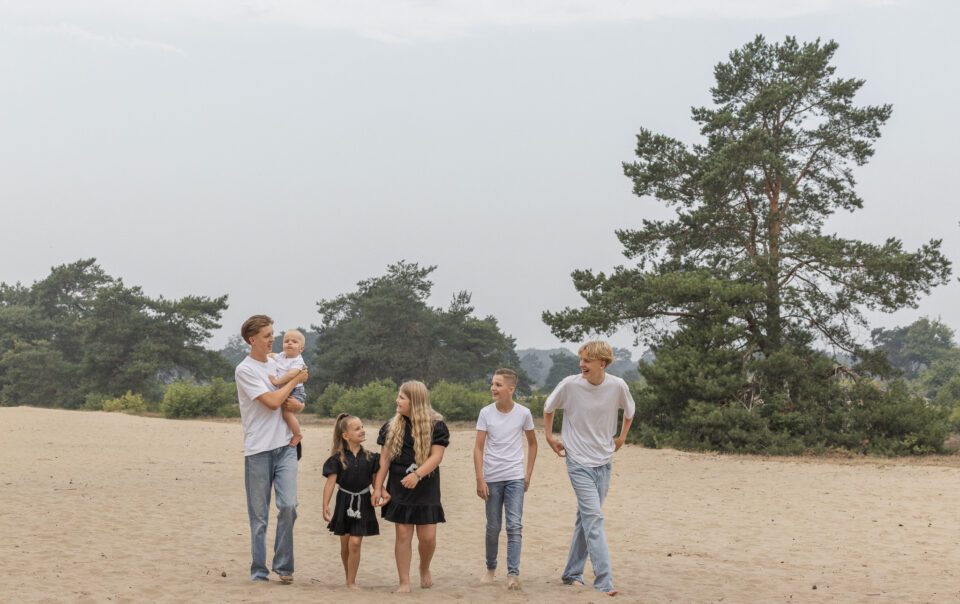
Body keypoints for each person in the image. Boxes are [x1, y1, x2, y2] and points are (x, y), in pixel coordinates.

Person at [543, 341, 635, 597]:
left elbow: (630, 412)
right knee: (594, 518)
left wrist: (622, 438)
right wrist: (549, 437)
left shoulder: (618, 386)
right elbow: (548, 408)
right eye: (581, 360)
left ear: (601, 363)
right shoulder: (570, 385)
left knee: (585, 518)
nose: (581, 365)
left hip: (604, 463)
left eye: (586, 361)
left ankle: (572, 572)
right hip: (578, 462)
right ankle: (605, 580)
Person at [234, 314, 308, 583]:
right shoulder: (244, 370)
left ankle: (284, 566)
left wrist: (299, 402)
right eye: (267, 336)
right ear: (252, 340)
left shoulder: (278, 361)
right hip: (258, 450)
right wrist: (295, 379)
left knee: (289, 506)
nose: (272, 339)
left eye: (272, 334)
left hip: (286, 445)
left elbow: (293, 400)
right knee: (259, 517)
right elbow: (274, 401)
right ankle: (258, 571)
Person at [372, 381, 450, 593]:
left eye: (402, 398)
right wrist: (378, 487)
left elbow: (437, 456)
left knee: (428, 538)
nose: (397, 401)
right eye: (398, 396)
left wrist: (417, 475)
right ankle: (404, 582)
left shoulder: (437, 425)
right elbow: (384, 461)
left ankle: (424, 568)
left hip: (426, 487)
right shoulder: (391, 427)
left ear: (415, 402)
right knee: (403, 535)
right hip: (399, 488)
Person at [473, 368, 538, 591]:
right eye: (492, 383)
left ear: (511, 388)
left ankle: (513, 574)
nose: (493, 388)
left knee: (514, 525)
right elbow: (478, 448)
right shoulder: (485, 413)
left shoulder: (524, 413)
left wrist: (527, 474)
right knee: (493, 526)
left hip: (515, 477)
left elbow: (532, 443)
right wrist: (479, 478)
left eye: (498, 384)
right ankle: (490, 568)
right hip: (491, 478)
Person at [322, 413, 381, 590]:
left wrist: (381, 492)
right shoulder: (336, 459)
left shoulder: (371, 457)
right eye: (357, 428)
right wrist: (325, 505)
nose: (362, 430)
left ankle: (351, 581)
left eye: (362, 427)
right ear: (346, 436)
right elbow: (330, 483)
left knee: (355, 543)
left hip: (363, 502)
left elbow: (376, 480)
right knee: (345, 543)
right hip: (343, 502)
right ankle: (349, 575)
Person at [268, 329, 307, 447]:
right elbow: (273, 355)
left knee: (287, 414)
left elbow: (291, 375)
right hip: (286, 389)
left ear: (301, 349)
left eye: (294, 342)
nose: (289, 343)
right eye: (286, 341)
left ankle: (297, 434)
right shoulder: (281, 356)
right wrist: (267, 355)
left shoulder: (298, 361)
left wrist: (277, 381)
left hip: (296, 391)